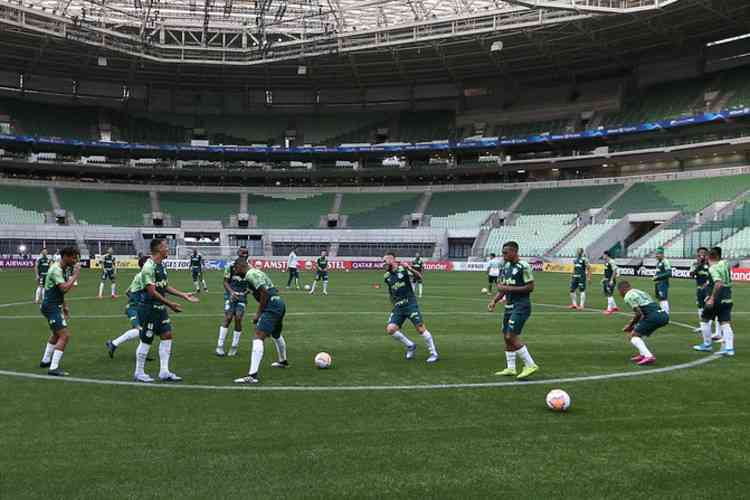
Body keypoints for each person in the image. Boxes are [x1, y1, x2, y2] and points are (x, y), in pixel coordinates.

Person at [132, 239, 199, 383]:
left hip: (160, 308)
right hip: (148, 309)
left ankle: (164, 371)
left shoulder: (161, 265)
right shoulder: (148, 267)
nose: (168, 249)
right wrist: (170, 304)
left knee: (167, 334)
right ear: (158, 250)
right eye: (165, 247)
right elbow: (151, 292)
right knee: (146, 339)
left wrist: (183, 295)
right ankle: (138, 372)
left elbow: (164, 286)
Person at [488, 241, 539, 380]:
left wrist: (508, 289)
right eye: (502, 252)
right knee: (506, 336)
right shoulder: (505, 266)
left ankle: (530, 364)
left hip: (521, 306)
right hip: (509, 306)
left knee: (511, 335)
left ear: (514, 252)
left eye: (505, 252)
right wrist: (494, 300)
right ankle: (511, 368)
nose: (503, 255)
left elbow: (530, 287)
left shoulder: (524, 266)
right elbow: (503, 287)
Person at [233, 260, 289, 384]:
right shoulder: (257, 272)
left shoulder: (250, 274)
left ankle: (252, 375)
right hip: (279, 303)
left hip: (272, 306)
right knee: (276, 334)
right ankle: (283, 361)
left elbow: (264, 292)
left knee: (258, 336)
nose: (235, 272)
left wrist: (259, 313)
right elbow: (269, 288)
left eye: (235, 269)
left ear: (240, 266)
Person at [382, 252, 439, 363]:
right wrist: (393, 304)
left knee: (420, 329)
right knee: (391, 329)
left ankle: (434, 353)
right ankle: (410, 345)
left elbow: (419, 277)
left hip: (410, 304)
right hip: (398, 307)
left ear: (392, 260)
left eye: (385, 261)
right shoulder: (387, 277)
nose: (383, 264)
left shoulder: (403, 269)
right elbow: (391, 292)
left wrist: (410, 268)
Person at [38, 247, 81, 376]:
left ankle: (45, 360)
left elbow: (58, 291)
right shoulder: (56, 269)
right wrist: (75, 275)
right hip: (50, 306)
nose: (75, 260)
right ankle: (53, 368)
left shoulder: (62, 268)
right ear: (65, 257)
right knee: (64, 335)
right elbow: (63, 288)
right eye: (73, 257)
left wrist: (64, 305)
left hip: (53, 305)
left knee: (56, 334)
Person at [105, 257, 151, 359]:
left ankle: (141, 353)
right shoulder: (142, 277)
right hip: (134, 309)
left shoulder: (140, 276)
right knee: (141, 330)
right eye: (149, 262)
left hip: (138, 308)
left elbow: (127, 291)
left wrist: (135, 299)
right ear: (144, 265)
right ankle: (113, 344)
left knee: (144, 330)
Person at [693, 247, 735, 356]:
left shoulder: (713, 268)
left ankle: (707, 344)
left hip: (717, 299)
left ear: (710, 257)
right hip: (728, 298)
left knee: (704, 319)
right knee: (725, 323)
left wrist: (711, 298)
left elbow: (718, 283)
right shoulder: (725, 264)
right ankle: (729, 349)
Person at [618, 280, 669, 366]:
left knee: (632, 336)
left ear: (622, 290)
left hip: (654, 316)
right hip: (662, 314)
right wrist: (633, 324)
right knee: (638, 333)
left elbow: (639, 314)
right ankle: (643, 354)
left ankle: (648, 356)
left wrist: (630, 326)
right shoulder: (638, 291)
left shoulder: (628, 296)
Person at [216, 257, 250, 357]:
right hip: (231, 297)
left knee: (238, 318)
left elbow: (251, 285)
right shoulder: (230, 268)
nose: (244, 269)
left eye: (245, 267)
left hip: (242, 298)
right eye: (242, 268)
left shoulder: (249, 272)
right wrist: (231, 292)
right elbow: (225, 282)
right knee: (228, 317)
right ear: (237, 267)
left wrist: (248, 290)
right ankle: (220, 346)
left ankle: (234, 347)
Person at [689, 247, 721, 341]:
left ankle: (717, 332)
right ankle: (703, 326)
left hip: (709, 290)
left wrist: (707, 285)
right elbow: (691, 274)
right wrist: (699, 265)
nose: (701, 255)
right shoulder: (696, 264)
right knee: (700, 307)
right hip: (699, 289)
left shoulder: (712, 265)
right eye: (700, 254)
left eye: (703, 254)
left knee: (712, 309)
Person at [653, 247, 671, 314]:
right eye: (656, 254)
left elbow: (669, 273)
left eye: (658, 254)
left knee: (663, 298)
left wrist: (658, 277)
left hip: (663, 282)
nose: (656, 255)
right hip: (658, 283)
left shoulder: (665, 261)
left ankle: (666, 314)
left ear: (662, 254)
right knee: (660, 298)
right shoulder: (659, 262)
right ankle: (663, 312)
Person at [602, 251, 620, 315]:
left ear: (607, 255)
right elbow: (606, 271)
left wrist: (612, 280)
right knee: (607, 294)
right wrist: (604, 278)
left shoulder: (611, 261)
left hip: (610, 280)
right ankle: (615, 307)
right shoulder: (605, 262)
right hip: (606, 279)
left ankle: (609, 309)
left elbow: (615, 270)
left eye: (604, 255)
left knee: (609, 294)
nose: (603, 256)